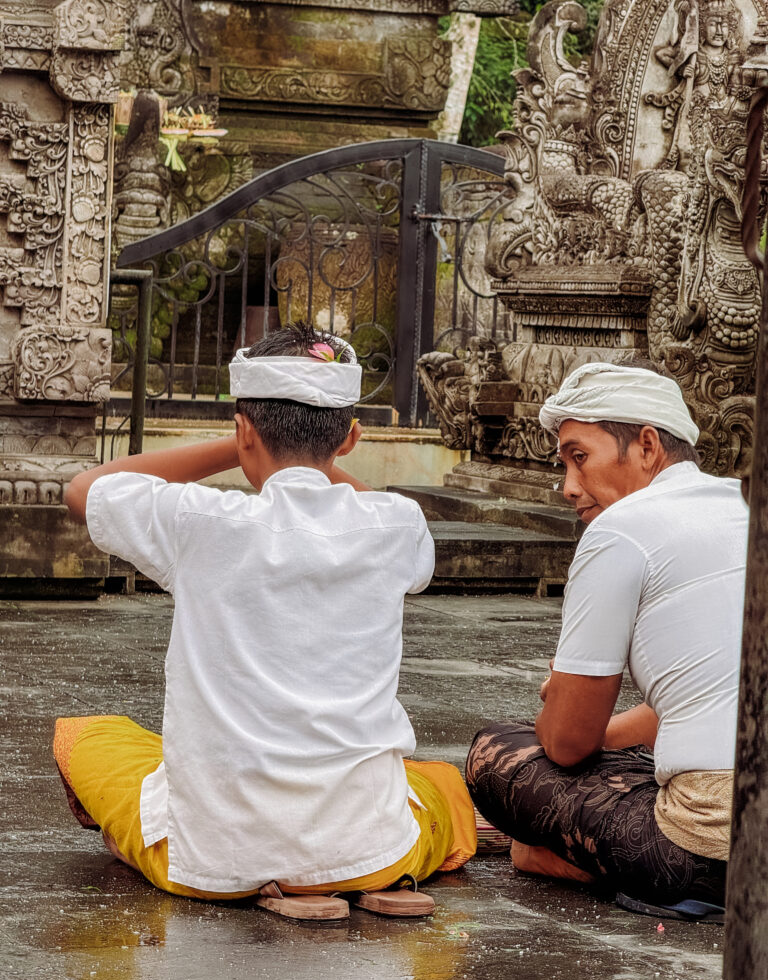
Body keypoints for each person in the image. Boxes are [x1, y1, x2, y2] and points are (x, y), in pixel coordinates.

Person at [54, 322, 476, 921]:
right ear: (351, 437)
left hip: (211, 862)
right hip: (368, 849)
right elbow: (385, 521)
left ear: (244, 428)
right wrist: (302, 447)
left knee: (88, 739)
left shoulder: (201, 520)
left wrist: (238, 446)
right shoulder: (396, 524)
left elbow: (85, 489)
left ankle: (266, 878)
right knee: (441, 786)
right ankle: (357, 878)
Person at [465, 360, 747, 919]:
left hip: (710, 855)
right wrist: (611, 739)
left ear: (646, 447)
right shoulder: (744, 506)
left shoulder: (620, 529)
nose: (569, 487)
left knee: (496, 753)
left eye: (579, 457)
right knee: (630, 762)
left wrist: (556, 703)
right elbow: (709, 696)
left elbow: (568, 744)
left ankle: (563, 860)